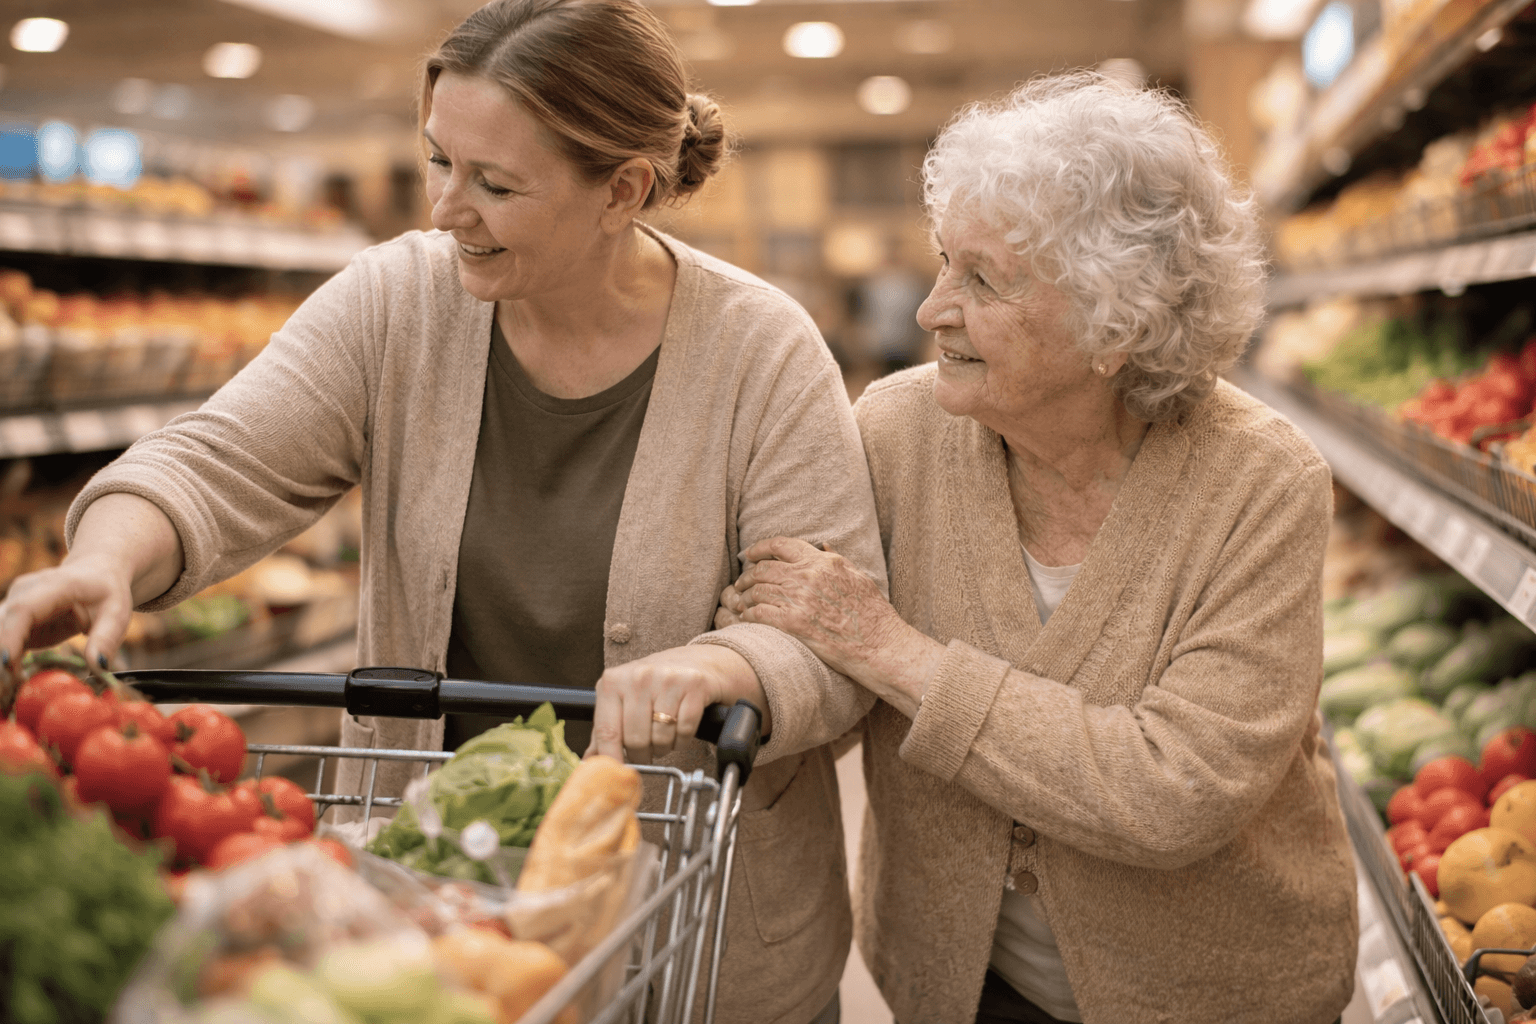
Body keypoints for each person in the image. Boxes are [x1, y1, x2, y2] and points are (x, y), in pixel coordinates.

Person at [0, 3, 882, 1022]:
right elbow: (222, 456)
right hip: (438, 924)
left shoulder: (761, 354)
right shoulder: (397, 303)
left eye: (494, 184)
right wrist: (106, 557)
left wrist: (729, 665)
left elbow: (828, 641)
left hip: (694, 950)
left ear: (624, 189)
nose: (442, 210)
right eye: (437, 162)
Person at [718, 74, 1359, 1024]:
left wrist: (894, 651)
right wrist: (758, 661)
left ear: (1118, 324)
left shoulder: (1261, 484)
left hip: (1216, 993)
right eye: (944, 263)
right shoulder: (896, 434)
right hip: (960, 985)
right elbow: (825, 674)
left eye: (983, 279)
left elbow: (1175, 788)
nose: (933, 308)